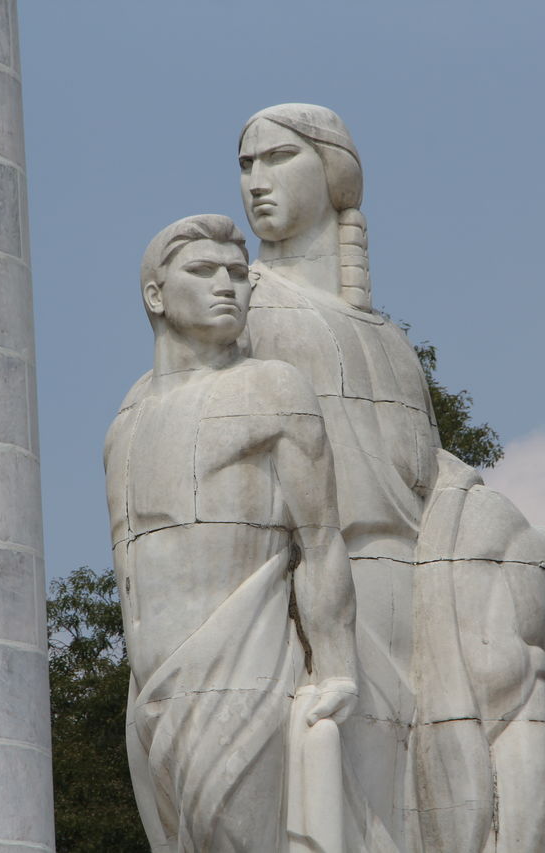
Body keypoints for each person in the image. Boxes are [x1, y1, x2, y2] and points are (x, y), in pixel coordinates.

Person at [238, 104, 545, 852]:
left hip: (422, 595)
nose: (256, 182)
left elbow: (430, 474)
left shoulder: (389, 340)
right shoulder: (243, 309)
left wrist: (517, 538)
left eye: (277, 158)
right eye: (246, 165)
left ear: (332, 174)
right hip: (317, 595)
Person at [104, 214, 360, 852]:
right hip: (151, 688)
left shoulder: (273, 389)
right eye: (203, 270)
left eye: (239, 273)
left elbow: (321, 539)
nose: (229, 285)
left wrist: (336, 670)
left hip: (244, 668)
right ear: (155, 295)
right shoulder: (126, 420)